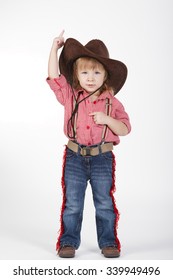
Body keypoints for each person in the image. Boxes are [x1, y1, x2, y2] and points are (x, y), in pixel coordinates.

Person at [46, 30, 131, 258]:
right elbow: (54, 78)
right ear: (77, 75)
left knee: (104, 201)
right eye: (85, 72)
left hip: (102, 158)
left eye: (96, 72)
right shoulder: (71, 96)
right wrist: (55, 48)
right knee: (73, 202)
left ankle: (108, 242)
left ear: (105, 76)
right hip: (74, 156)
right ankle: (68, 241)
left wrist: (107, 120)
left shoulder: (112, 102)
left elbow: (125, 128)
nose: (90, 77)